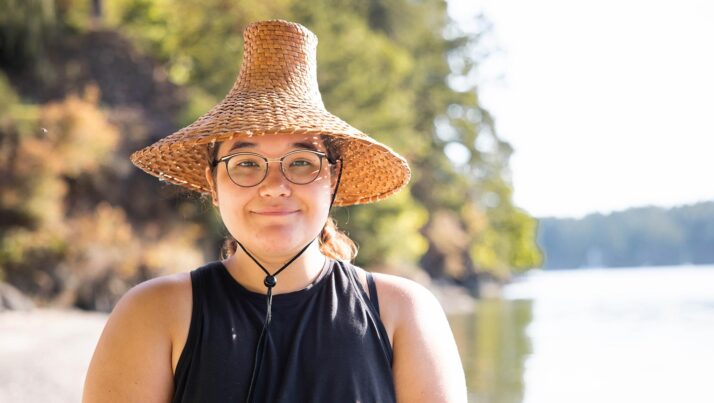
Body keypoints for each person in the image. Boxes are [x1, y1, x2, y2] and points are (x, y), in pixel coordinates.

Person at [83, 19, 466, 403]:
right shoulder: (153, 314)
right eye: (246, 163)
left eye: (301, 162)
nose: (275, 186)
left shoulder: (403, 315)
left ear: (332, 178)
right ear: (213, 184)